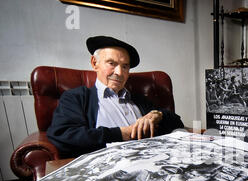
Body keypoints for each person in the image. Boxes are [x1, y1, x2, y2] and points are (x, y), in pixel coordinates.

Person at [47, 36, 184, 158]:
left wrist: (156, 114)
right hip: (106, 169)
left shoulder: (138, 100)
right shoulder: (77, 97)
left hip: (151, 161)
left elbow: (177, 123)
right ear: (95, 63)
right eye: (112, 63)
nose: (119, 72)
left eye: (125, 66)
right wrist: (123, 133)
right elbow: (62, 135)